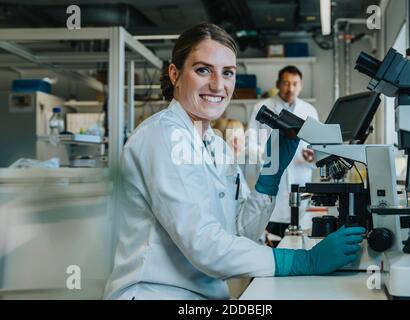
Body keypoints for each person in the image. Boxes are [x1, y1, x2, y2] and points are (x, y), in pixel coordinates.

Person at [103, 23, 365, 300]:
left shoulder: (216, 144)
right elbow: (205, 245)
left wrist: (270, 176)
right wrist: (302, 261)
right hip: (155, 293)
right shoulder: (161, 137)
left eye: (227, 73)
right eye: (203, 70)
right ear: (175, 73)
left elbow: (239, 232)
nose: (218, 85)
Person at [247, 66, 319, 239]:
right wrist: (267, 156)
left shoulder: (309, 111)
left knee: (298, 234)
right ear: (278, 84)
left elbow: (318, 145)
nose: (290, 88)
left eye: (295, 84)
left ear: (301, 85)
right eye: (286, 83)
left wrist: (313, 156)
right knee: (270, 235)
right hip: (271, 182)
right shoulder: (261, 107)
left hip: (300, 178)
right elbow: (250, 142)